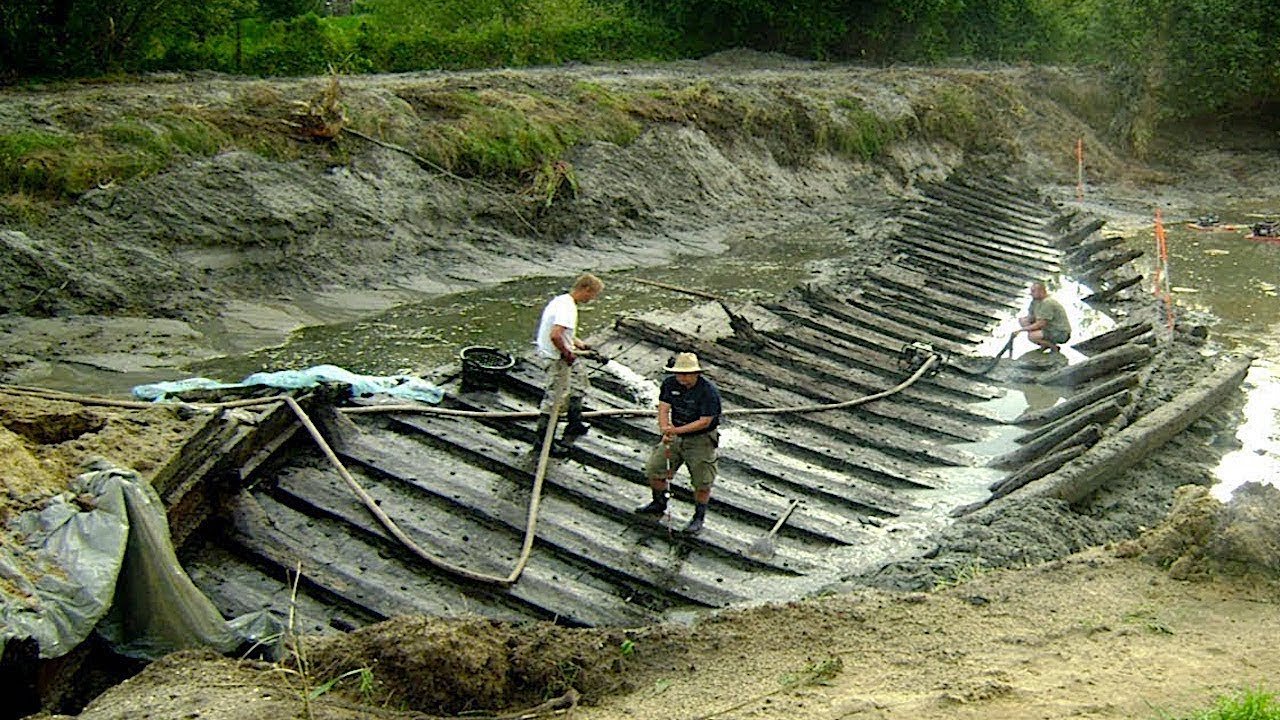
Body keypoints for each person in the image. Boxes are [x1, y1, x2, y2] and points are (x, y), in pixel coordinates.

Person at [634, 352, 722, 535]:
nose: (681, 377)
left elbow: (705, 421)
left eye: (686, 374)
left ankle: (698, 517)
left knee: (702, 481)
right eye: (679, 373)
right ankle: (659, 502)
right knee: (654, 469)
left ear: (696, 373)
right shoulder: (669, 384)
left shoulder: (709, 392)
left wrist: (674, 431)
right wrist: (664, 428)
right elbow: (664, 407)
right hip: (675, 432)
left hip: (701, 439)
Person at [532, 273, 604, 458]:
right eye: (593, 295)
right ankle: (543, 442)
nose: (592, 299)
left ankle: (575, 422)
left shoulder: (563, 301)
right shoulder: (567, 308)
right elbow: (555, 335)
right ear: (586, 289)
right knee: (556, 399)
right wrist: (568, 353)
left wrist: (580, 345)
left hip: (563, 353)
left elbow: (563, 333)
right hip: (556, 358)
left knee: (580, 383)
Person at [1017, 281, 1071, 351]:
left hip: (1060, 332)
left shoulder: (1047, 303)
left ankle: (1053, 347)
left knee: (1032, 336)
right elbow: (1031, 317)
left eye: (1033, 291)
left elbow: (1041, 323)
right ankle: (1044, 342)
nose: (1031, 294)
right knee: (1023, 321)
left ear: (1041, 291)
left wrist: (1021, 330)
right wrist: (1026, 324)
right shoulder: (1035, 301)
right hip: (1048, 328)